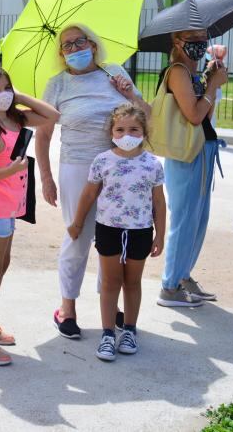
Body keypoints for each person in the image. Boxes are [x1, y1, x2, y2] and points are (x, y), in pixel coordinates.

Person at [37, 23, 148, 338]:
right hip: (76, 168)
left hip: (116, 170)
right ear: (61, 54)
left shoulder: (113, 74)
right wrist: (45, 177)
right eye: (67, 45)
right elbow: (43, 136)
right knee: (77, 235)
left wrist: (129, 93)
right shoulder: (57, 84)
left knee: (111, 240)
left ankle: (108, 306)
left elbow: (144, 117)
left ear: (93, 44)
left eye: (79, 41)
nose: (74, 48)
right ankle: (67, 307)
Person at [0, 65, 59, 366]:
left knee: (0, 267)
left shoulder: (15, 118)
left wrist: (18, 96)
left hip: (8, 207)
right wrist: (12, 170)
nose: (2, 95)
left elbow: (52, 116)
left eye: (6, 87)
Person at [67, 103, 165, 361]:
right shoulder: (102, 160)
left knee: (132, 282)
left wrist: (161, 235)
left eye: (134, 129)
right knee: (110, 282)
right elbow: (89, 194)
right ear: (111, 132)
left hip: (140, 231)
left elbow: (159, 202)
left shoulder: (152, 164)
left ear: (144, 131)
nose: (126, 135)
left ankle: (129, 330)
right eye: (120, 129)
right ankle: (108, 334)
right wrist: (77, 223)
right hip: (109, 230)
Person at [156, 28, 228, 308]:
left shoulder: (193, 74)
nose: (199, 44)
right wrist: (212, 86)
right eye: (192, 39)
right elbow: (194, 115)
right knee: (185, 219)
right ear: (177, 42)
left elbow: (206, 112)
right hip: (187, 152)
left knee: (198, 220)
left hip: (203, 149)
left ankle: (183, 277)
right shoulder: (177, 71)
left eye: (202, 39)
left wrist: (212, 80)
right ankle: (169, 285)